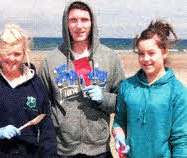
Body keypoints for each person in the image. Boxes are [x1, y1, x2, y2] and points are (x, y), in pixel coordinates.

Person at [38, 0, 125, 157]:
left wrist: (104, 98)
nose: (79, 26)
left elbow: (123, 103)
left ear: (92, 22)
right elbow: (42, 106)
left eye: (84, 20)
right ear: (66, 23)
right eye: (73, 20)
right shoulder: (50, 61)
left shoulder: (110, 58)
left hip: (99, 150)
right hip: (62, 150)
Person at [0, 24, 57, 158]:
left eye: (17, 54)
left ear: (25, 53)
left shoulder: (36, 84)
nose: (11, 59)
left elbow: (47, 129)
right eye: (7, 53)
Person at [112, 20, 187, 157]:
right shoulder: (127, 86)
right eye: (141, 53)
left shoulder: (178, 91)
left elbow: (181, 140)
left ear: (164, 52)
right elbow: (119, 121)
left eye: (151, 53)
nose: (145, 59)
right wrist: (119, 136)